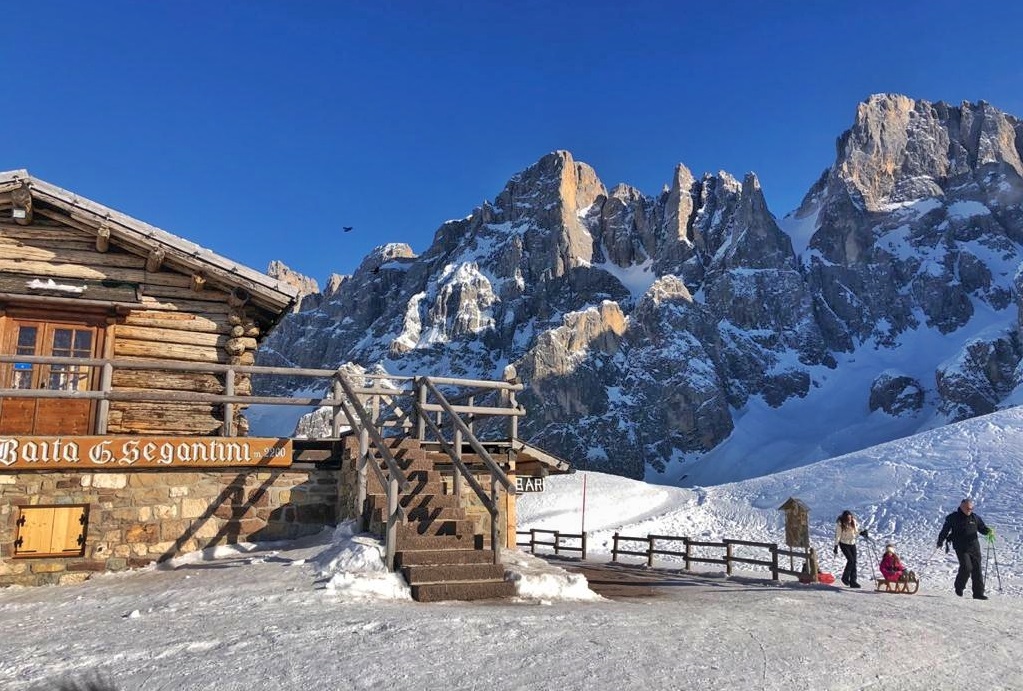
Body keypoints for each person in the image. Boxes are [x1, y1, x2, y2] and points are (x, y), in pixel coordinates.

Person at [937, 497, 993, 600]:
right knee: (967, 567)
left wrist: (989, 532)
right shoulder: (953, 517)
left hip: (974, 547)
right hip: (961, 547)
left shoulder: (975, 518)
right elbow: (945, 530)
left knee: (977, 570)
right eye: (967, 508)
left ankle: (978, 593)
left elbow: (982, 528)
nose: (969, 510)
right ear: (962, 506)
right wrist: (940, 541)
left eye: (971, 509)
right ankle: (959, 587)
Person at [834, 510, 861, 588]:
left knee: (854, 562)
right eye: (848, 518)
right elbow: (838, 535)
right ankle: (845, 577)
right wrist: (836, 546)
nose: (849, 519)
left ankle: (853, 581)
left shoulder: (853, 521)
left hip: (852, 543)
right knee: (851, 560)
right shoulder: (840, 524)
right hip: (844, 543)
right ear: (844, 518)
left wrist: (861, 533)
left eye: (850, 517)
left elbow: (855, 532)